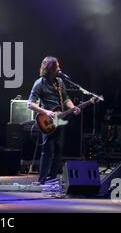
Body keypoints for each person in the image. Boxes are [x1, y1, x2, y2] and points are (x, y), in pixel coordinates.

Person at [27, 56, 80, 185]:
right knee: (48, 150)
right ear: (49, 69)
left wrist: (73, 108)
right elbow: (30, 104)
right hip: (47, 121)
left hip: (60, 120)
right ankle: (42, 180)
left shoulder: (60, 82)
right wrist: (46, 112)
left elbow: (66, 98)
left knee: (58, 149)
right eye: (56, 66)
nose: (59, 69)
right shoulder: (39, 83)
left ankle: (52, 178)